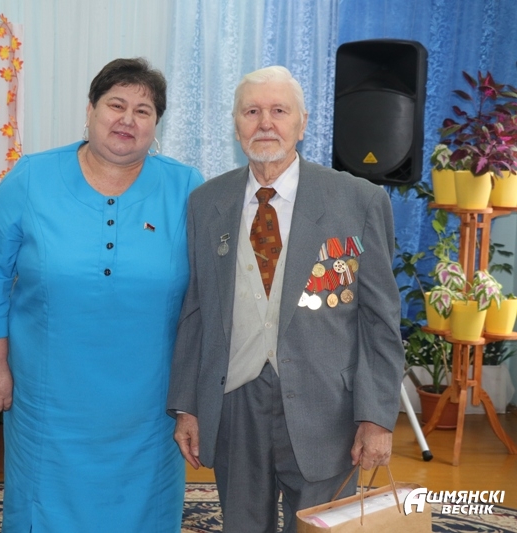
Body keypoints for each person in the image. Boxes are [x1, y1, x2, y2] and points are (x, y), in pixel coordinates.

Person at [0, 57, 204, 532]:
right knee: (46, 507)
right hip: (48, 396)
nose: (128, 119)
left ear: (156, 124)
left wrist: (192, 397)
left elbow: (206, 298)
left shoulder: (186, 188)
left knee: (144, 511)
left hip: (150, 402)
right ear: (90, 110)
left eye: (144, 110)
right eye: (116, 105)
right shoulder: (31, 178)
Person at [167, 66, 404, 533]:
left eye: (279, 111)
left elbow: (380, 319)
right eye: (251, 112)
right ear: (236, 124)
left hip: (327, 408)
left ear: (302, 122)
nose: (265, 123)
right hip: (234, 402)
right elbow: (195, 311)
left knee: (319, 528)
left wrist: (376, 417)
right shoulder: (206, 203)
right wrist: (187, 405)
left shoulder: (358, 201)